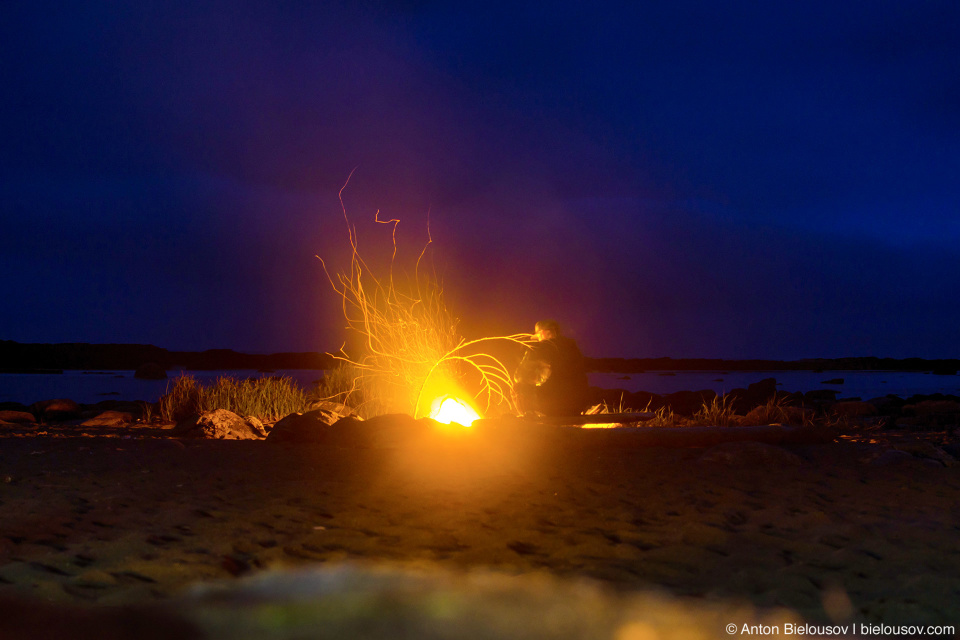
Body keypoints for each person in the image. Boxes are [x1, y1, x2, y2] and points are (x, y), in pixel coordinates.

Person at [513, 319, 589, 417]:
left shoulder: (539, 348)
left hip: (550, 408)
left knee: (518, 386)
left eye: (538, 334)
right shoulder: (571, 347)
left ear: (544, 333)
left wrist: (529, 348)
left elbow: (519, 375)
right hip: (576, 406)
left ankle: (529, 415)